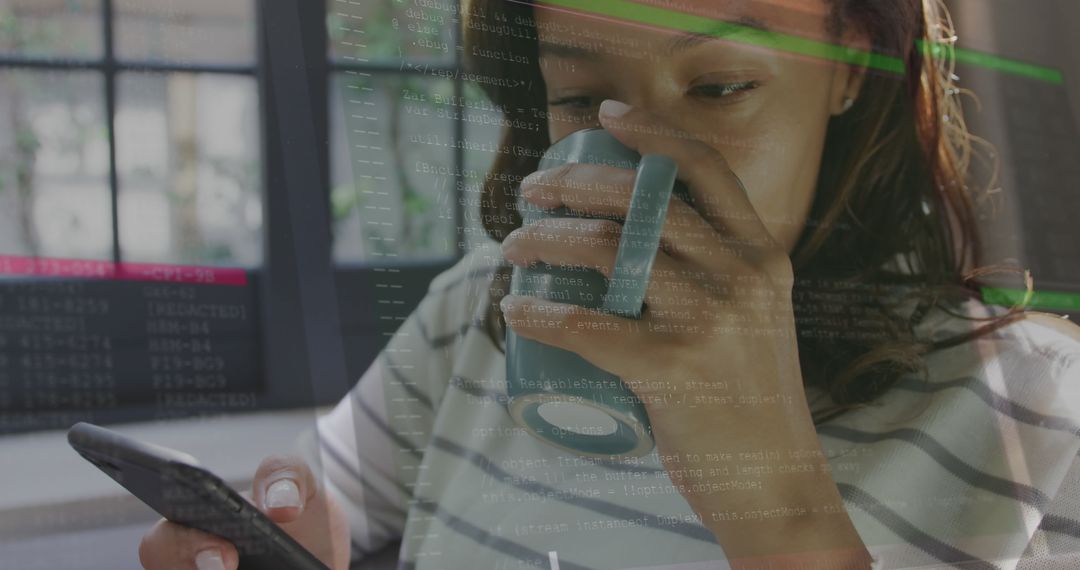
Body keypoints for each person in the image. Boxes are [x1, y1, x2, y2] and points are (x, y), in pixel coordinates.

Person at [138, 1, 1080, 569]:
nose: (637, 156)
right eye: (583, 101)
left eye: (716, 89)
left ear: (849, 59)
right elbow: (320, 501)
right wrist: (266, 530)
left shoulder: (1041, 419)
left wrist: (782, 514)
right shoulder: (479, 313)